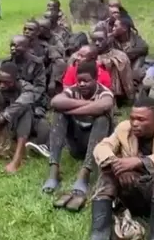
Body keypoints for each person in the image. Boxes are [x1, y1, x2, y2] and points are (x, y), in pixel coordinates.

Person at [89, 97, 154, 240]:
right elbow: (102, 147)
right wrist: (117, 166)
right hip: (133, 191)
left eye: (141, 120)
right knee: (107, 174)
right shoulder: (124, 128)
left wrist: (140, 162)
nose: (135, 123)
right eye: (132, 118)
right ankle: (99, 233)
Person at [41, 61, 115, 211]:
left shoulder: (104, 92)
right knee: (58, 114)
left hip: (96, 147)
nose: (81, 84)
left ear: (95, 79)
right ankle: (54, 170)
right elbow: (55, 101)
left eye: (86, 81)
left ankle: (85, 173)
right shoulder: (73, 90)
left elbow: (104, 105)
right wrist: (86, 105)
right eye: (79, 80)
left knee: (102, 118)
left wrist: (72, 110)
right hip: (76, 144)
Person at [0, 35, 48, 122]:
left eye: (17, 46)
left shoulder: (36, 63)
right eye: (11, 45)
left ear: (27, 48)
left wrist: (30, 99)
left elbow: (40, 86)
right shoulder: (6, 62)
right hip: (12, 94)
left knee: (36, 116)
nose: (13, 48)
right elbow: (0, 81)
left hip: (32, 96)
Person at [91, 28, 134, 104]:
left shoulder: (119, 54)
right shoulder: (87, 54)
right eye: (94, 40)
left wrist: (106, 62)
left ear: (108, 40)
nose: (97, 43)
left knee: (116, 64)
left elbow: (123, 63)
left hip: (114, 89)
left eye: (101, 40)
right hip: (91, 87)